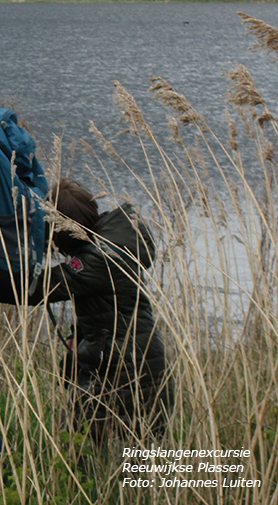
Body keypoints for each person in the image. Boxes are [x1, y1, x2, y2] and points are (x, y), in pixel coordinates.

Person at [39, 178, 172, 440]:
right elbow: (108, 305)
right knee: (140, 463)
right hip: (144, 365)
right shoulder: (112, 244)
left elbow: (35, 289)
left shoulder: (96, 261)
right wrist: (80, 333)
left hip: (125, 375)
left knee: (84, 451)